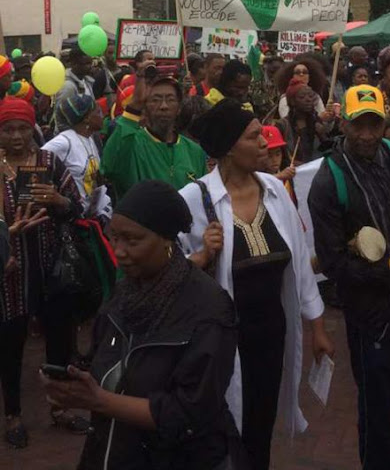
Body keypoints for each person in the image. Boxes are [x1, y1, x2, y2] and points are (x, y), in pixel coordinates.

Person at [41, 180, 242, 470]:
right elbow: (105, 364)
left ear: (166, 239)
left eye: (132, 241)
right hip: (114, 453)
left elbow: (191, 412)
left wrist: (100, 401)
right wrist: (75, 382)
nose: (119, 251)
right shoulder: (123, 295)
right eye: (114, 238)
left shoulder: (209, 308)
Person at [179, 99, 333, 470]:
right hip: (221, 340)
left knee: (260, 426)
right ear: (229, 147)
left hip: (270, 335)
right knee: (223, 427)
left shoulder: (275, 191)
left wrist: (317, 328)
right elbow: (168, 272)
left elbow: (299, 261)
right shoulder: (194, 199)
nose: (264, 143)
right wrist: (201, 256)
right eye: (253, 137)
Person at [308, 85, 390, 470]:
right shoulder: (329, 181)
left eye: (374, 124)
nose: (366, 135)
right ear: (344, 123)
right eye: (358, 125)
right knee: (378, 403)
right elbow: (333, 263)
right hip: (371, 312)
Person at [0, 97, 87, 447]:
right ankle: (13, 414)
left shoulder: (49, 163)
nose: (16, 137)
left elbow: (77, 208)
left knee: (59, 344)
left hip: (53, 269)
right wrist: (6, 238)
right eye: (7, 129)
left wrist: (57, 200)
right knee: (10, 346)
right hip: (10, 275)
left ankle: (59, 408)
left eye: (22, 128)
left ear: (32, 129)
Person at [101, 67, 206, 200]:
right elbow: (109, 167)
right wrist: (135, 105)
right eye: (155, 100)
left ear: (179, 107)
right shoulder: (131, 144)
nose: (163, 106)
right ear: (145, 107)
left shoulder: (194, 152)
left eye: (170, 99)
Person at [42, 95, 111, 220]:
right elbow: (38, 159)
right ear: (87, 118)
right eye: (98, 112)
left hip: (91, 215)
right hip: (73, 217)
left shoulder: (90, 138)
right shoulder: (64, 142)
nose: (103, 116)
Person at [276, 78, 328, 164]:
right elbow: (280, 156)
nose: (308, 100)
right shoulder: (282, 126)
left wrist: (322, 134)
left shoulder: (316, 122)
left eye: (310, 96)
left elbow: (327, 151)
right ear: (292, 101)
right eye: (302, 97)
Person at [55, 48, 94, 130]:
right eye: (86, 63)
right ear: (74, 64)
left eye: (91, 63)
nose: (90, 66)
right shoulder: (68, 86)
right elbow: (61, 115)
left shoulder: (87, 82)